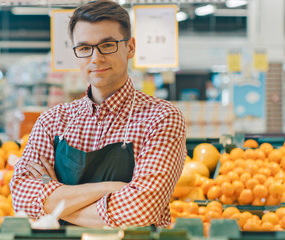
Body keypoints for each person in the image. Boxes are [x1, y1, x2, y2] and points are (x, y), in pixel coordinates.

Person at [10, 0, 186, 228]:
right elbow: (21, 201)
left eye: (107, 45)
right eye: (84, 48)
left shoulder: (161, 118)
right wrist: (110, 188)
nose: (96, 58)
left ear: (130, 47)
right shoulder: (53, 122)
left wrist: (56, 203)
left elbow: (142, 211)